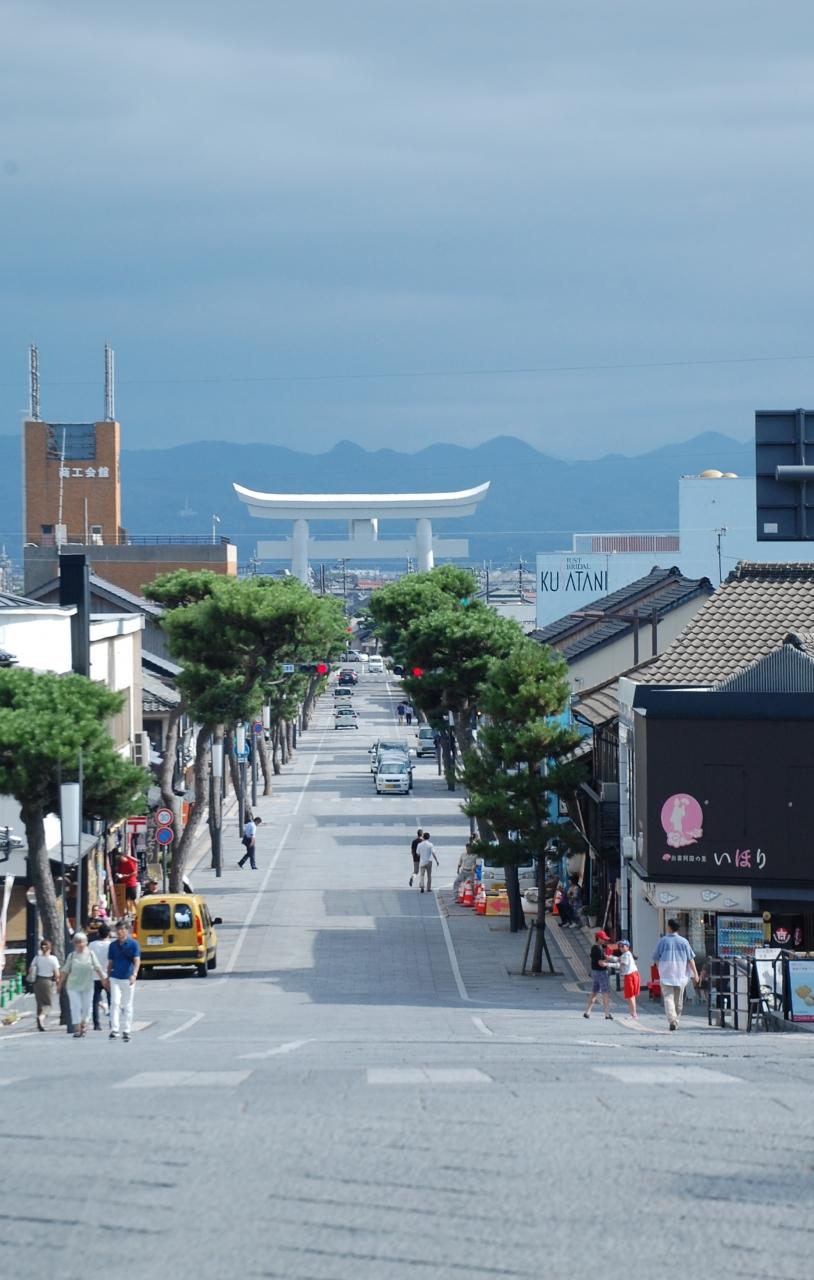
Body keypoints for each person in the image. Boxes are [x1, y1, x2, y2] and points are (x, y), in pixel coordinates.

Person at [653, 918, 699, 1031]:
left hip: (666, 974)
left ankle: (672, 1020)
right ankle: (676, 1020)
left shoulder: (663, 941)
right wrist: (696, 973)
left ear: (669, 927)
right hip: (680, 975)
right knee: (678, 1001)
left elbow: (656, 957)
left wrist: (660, 968)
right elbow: (691, 959)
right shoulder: (684, 941)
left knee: (668, 998)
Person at [58, 932, 107, 1038]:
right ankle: (77, 1028)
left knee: (87, 1007)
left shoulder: (90, 954)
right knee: (75, 1006)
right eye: (77, 942)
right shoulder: (72, 956)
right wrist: (60, 984)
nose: (79, 944)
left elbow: (97, 967)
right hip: (73, 986)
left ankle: (84, 1023)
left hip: (87, 985)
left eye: (81, 942)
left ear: (86, 942)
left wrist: (103, 979)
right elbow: (65, 971)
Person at [107, 919, 141, 1042]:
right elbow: (110, 962)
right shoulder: (112, 945)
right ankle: (114, 1029)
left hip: (128, 977)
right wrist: (107, 976)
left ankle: (127, 1029)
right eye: (118, 930)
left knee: (127, 1005)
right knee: (115, 1003)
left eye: (122, 929)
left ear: (127, 931)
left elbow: (137, 960)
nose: (119, 932)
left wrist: (134, 974)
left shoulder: (133, 944)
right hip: (115, 977)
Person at [28, 939, 60, 1032]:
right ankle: (41, 1017)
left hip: (37, 981)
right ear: (50, 948)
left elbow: (30, 970)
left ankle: (39, 1023)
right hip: (47, 981)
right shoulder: (53, 959)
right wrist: (58, 983)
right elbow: (57, 974)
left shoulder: (37, 958)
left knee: (40, 1003)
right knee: (48, 1004)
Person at [583, 929, 615, 1020]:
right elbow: (600, 962)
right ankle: (607, 1014)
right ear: (599, 938)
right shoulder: (599, 949)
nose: (605, 940)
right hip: (601, 972)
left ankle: (587, 1012)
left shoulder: (594, 948)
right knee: (605, 992)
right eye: (603, 939)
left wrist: (607, 957)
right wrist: (609, 960)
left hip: (594, 972)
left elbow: (595, 959)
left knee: (594, 992)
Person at [89, 922, 112, 1031]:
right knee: (111, 1000)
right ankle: (112, 1022)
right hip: (107, 975)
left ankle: (96, 1024)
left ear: (98, 933)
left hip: (95, 975)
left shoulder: (92, 945)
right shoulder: (110, 945)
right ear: (108, 934)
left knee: (95, 1000)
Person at [618, 940, 640, 1019]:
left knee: (630, 996)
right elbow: (618, 959)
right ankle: (632, 1013)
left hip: (630, 976)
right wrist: (610, 958)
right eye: (620, 946)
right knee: (631, 996)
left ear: (627, 947)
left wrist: (608, 964)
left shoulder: (626, 955)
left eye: (622, 946)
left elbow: (620, 964)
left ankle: (634, 1014)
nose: (621, 948)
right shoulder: (627, 954)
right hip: (633, 975)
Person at [115, 849, 140, 914]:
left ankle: (139, 911)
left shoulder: (129, 862)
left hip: (131, 883)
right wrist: (118, 874)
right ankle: (128, 912)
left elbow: (135, 872)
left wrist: (127, 875)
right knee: (125, 899)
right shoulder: (121, 864)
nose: (120, 860)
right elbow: (119, 872)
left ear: (123, 857)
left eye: (120, 858)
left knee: (133, 898)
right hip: (124, 884)